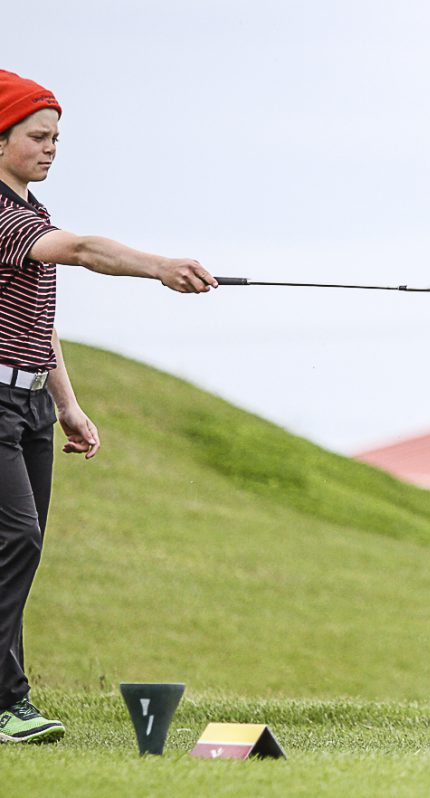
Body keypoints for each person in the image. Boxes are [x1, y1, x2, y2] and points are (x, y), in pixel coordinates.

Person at [0, 69, 217, 743]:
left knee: (21, 551)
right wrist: (157, 267)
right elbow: (86, 251)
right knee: (15, 539)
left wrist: (67, 405)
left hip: (30, 404)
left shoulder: (31, 214)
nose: (51, 147)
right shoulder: (3, 216)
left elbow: (40, 323)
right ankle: (8, 704)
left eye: (57, 137)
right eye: (38, 136)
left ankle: (11, 701)